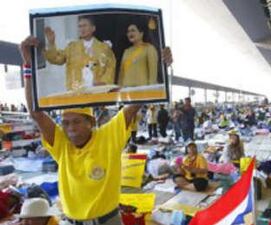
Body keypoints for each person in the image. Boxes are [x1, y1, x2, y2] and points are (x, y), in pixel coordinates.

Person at [20, 36, 172, 224]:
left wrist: (160, 67)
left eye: (76, 122)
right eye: (66, 123)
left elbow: (137, 100)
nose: (70, 129)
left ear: (91, 122)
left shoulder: (108, 135)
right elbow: (36, 113)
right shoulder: (62, 144)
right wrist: (27, 66)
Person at [43, 16, 116, 91]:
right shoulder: (72, 47)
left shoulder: (104, 48)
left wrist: (103, 82)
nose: (82, 29)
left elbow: (110, 67)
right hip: (76, 91)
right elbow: (56, 59)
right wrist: (51, 43)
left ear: (93, 28)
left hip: (98, 90)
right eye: (80, 26)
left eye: (84, 26)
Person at [118, 22, 158, 87]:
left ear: (141, 34)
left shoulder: (149, 48)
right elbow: (121, 76)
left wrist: (151, 91)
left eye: (133, 30)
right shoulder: (126, 51)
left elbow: (153, 75)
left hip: (142, 92)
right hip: (126, 92)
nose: (130, 33)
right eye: (128, 32)